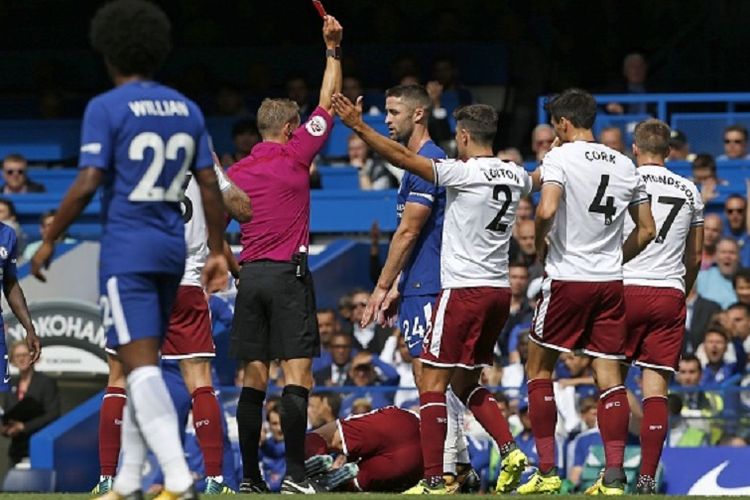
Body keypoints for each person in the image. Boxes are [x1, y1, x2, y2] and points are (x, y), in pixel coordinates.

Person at [30, 2, 230, 499]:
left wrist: (52, 236)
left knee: (136, 368)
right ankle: (127, 481)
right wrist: (222, 250)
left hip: (128, 252)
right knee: (155, 367)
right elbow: (210, 186)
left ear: (108, 53)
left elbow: (88, 180)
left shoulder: (106, 107)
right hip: (172, 253)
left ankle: (180, 479)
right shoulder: (187, 109)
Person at [333, 94, 530, 494]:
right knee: (466, 383)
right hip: (498, 291)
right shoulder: (516, 175)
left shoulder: (459, 171)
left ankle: (436, 477)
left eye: (393, 112)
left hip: (458, 288)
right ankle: (507, 450)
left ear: (463, 135)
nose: (388, 119)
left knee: (431, 379)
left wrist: (358, 126)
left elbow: (405, 165)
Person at [226, 14, 342, 494]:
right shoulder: (297, 153)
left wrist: (236, 268)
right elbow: (329, 102)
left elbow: (219, 225)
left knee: (252, 381)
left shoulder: (237, 172)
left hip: (249, 278)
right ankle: (294, 475)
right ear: (292, 127)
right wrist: (332, 49)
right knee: (297, 379)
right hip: (289, 278)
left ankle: (251, 478)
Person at [520, 88, 655, 495]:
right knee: (610, 377)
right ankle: (614, 475)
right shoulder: (626, 163)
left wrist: (541, 247)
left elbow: (545, 209)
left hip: (567, 276)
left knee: (539, 368)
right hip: (610, 280)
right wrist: (615, 257)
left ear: (561, 124)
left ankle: (546, 471)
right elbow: (647, 230)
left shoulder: (558, 158)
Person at [93, 156, 251, 495]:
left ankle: (107, 478)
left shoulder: (135, 156)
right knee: (200, 382)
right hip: (186, 283)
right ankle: (215, 480)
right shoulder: (201, 153)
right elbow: (242, 211)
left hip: (138, 281)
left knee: (119, 379)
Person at [619, 119, 704, 494]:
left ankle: (611, 472)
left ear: (634, 149)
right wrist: (681, 292)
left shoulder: (625, 181)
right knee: (656, 391)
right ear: (669, 151)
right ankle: (648, 477)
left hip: (626, 287)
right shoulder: (690, 190)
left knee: (608, 380)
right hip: (669, 292)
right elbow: (697, 255)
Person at [304, 406, 424, 492]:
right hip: (428, 465)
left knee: (328, 438)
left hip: (407, 425)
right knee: (350, 483)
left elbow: (328, 438)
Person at [0, 342, 58, 467]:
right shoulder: (10, 386)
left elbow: (53, 414)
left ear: (32, 357)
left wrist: (24, 426)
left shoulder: (46, 383)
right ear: (12, 360)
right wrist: (5, 429)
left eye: (25, 355)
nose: (21, 359)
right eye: (17, 356)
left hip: (40, 448)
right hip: (17, 452)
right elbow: (6, 415)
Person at [696, 237, 740, 308]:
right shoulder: (701, 278)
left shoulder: (745, 279)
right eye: (723, 252)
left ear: (739, 257)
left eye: (732, 253)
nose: (727, 256)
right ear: (715, 256)